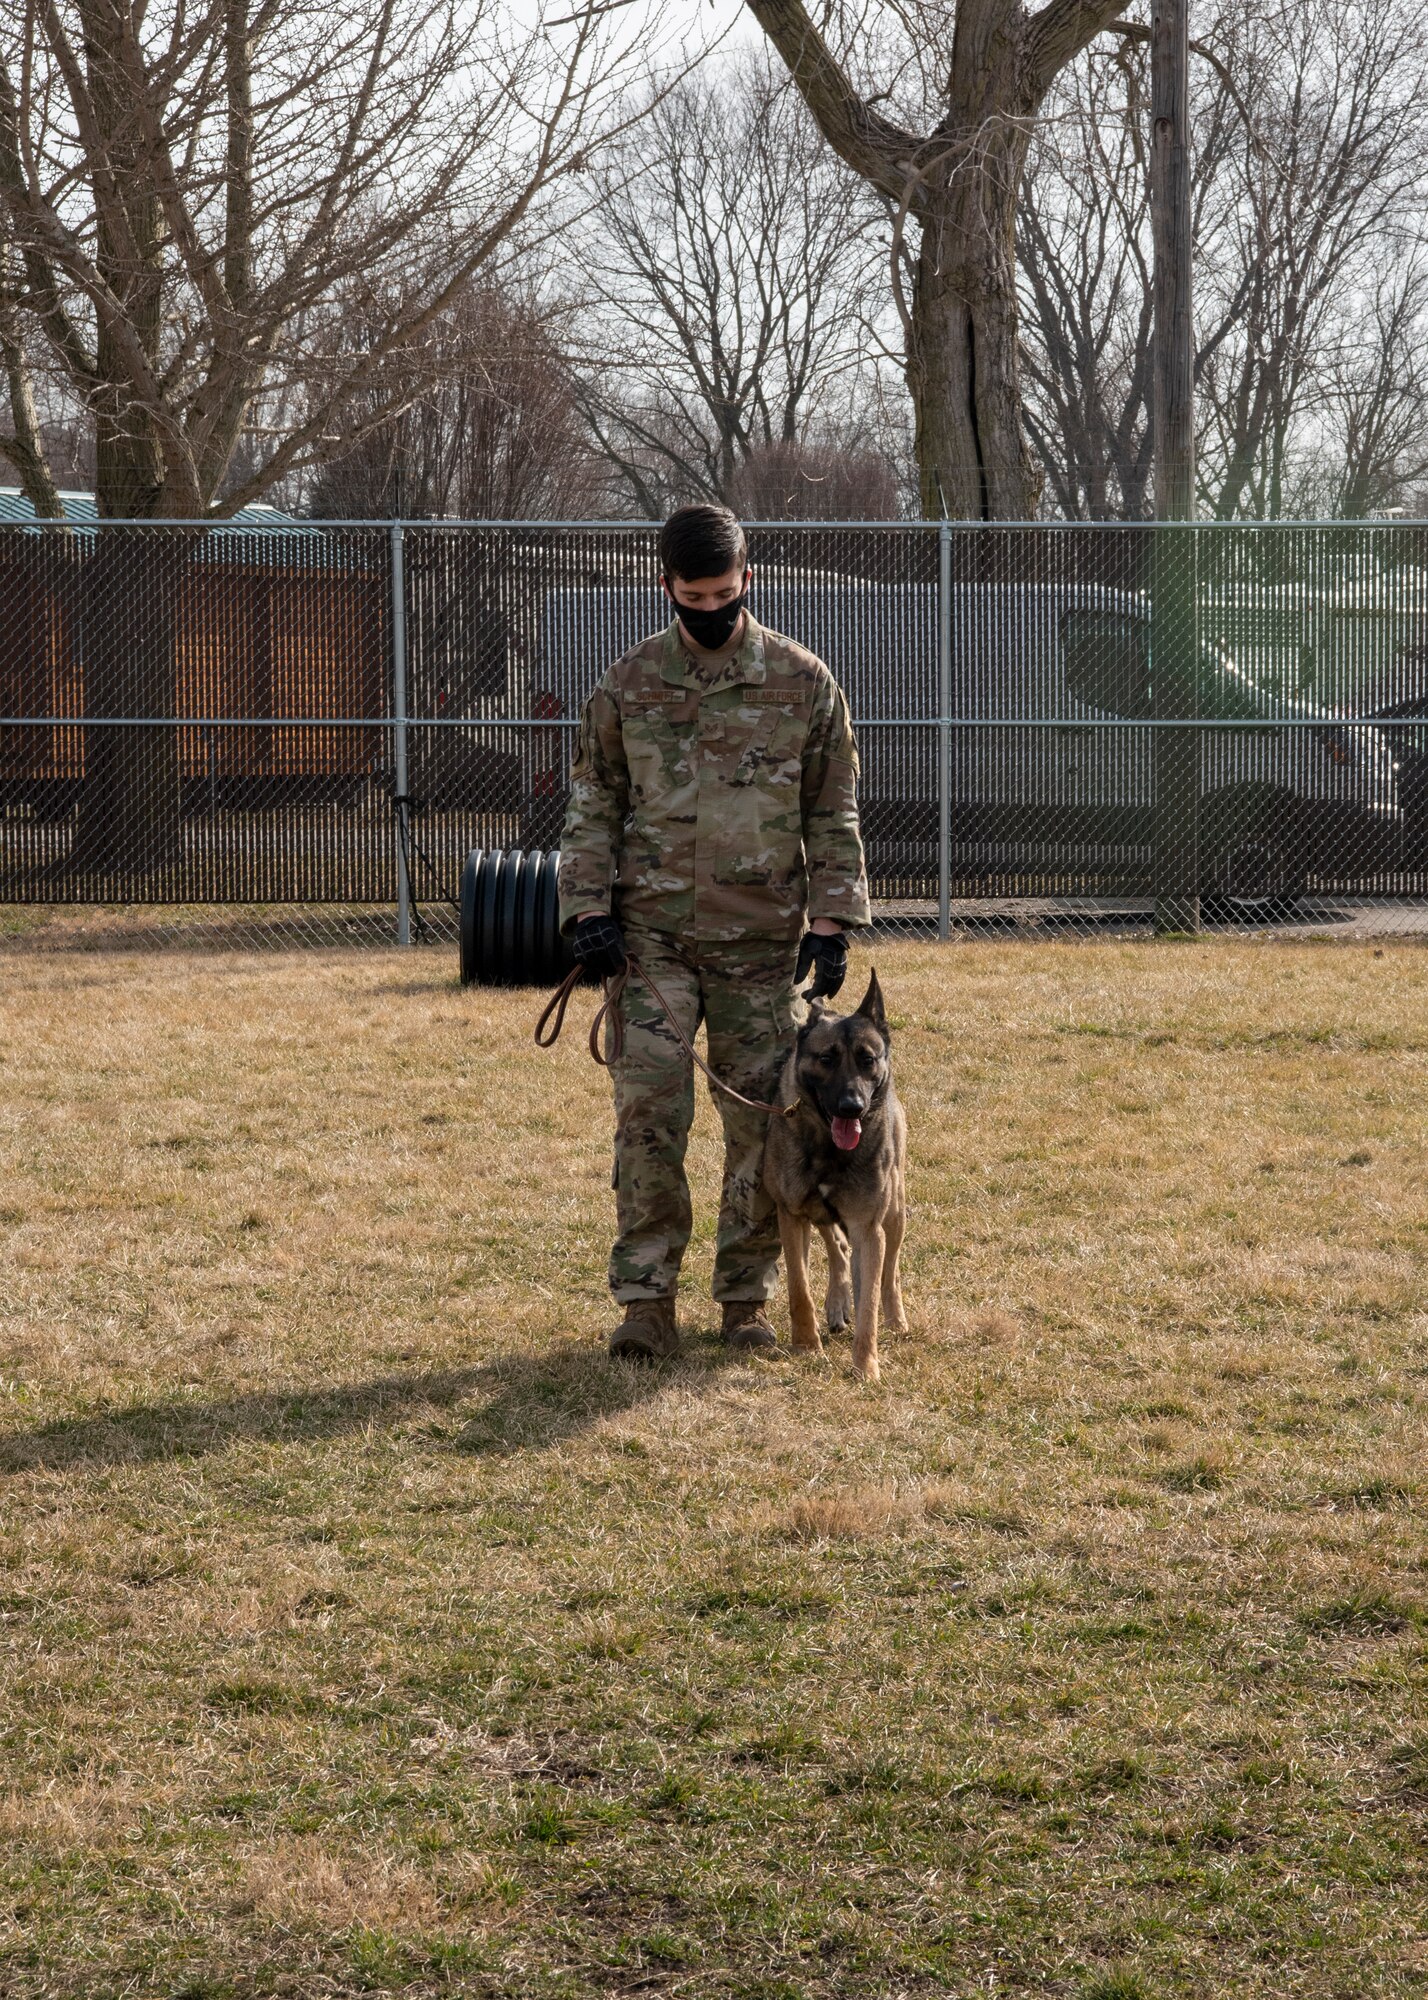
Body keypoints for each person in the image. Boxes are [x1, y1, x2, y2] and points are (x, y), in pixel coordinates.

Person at [557, 502, 871, 1360]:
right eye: (693, 597)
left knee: (761, 1128)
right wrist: (587, 912)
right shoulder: (627, 685)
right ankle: (646, 1303)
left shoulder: (804, 683)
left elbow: (832, 808)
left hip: (763, 945)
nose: (711, 610)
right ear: (667, 588)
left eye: (725, 594)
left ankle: (747, 1301)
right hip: (650, 943)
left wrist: (832, 921)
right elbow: (592, 806)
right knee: (649, 1121)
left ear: (749, 581)